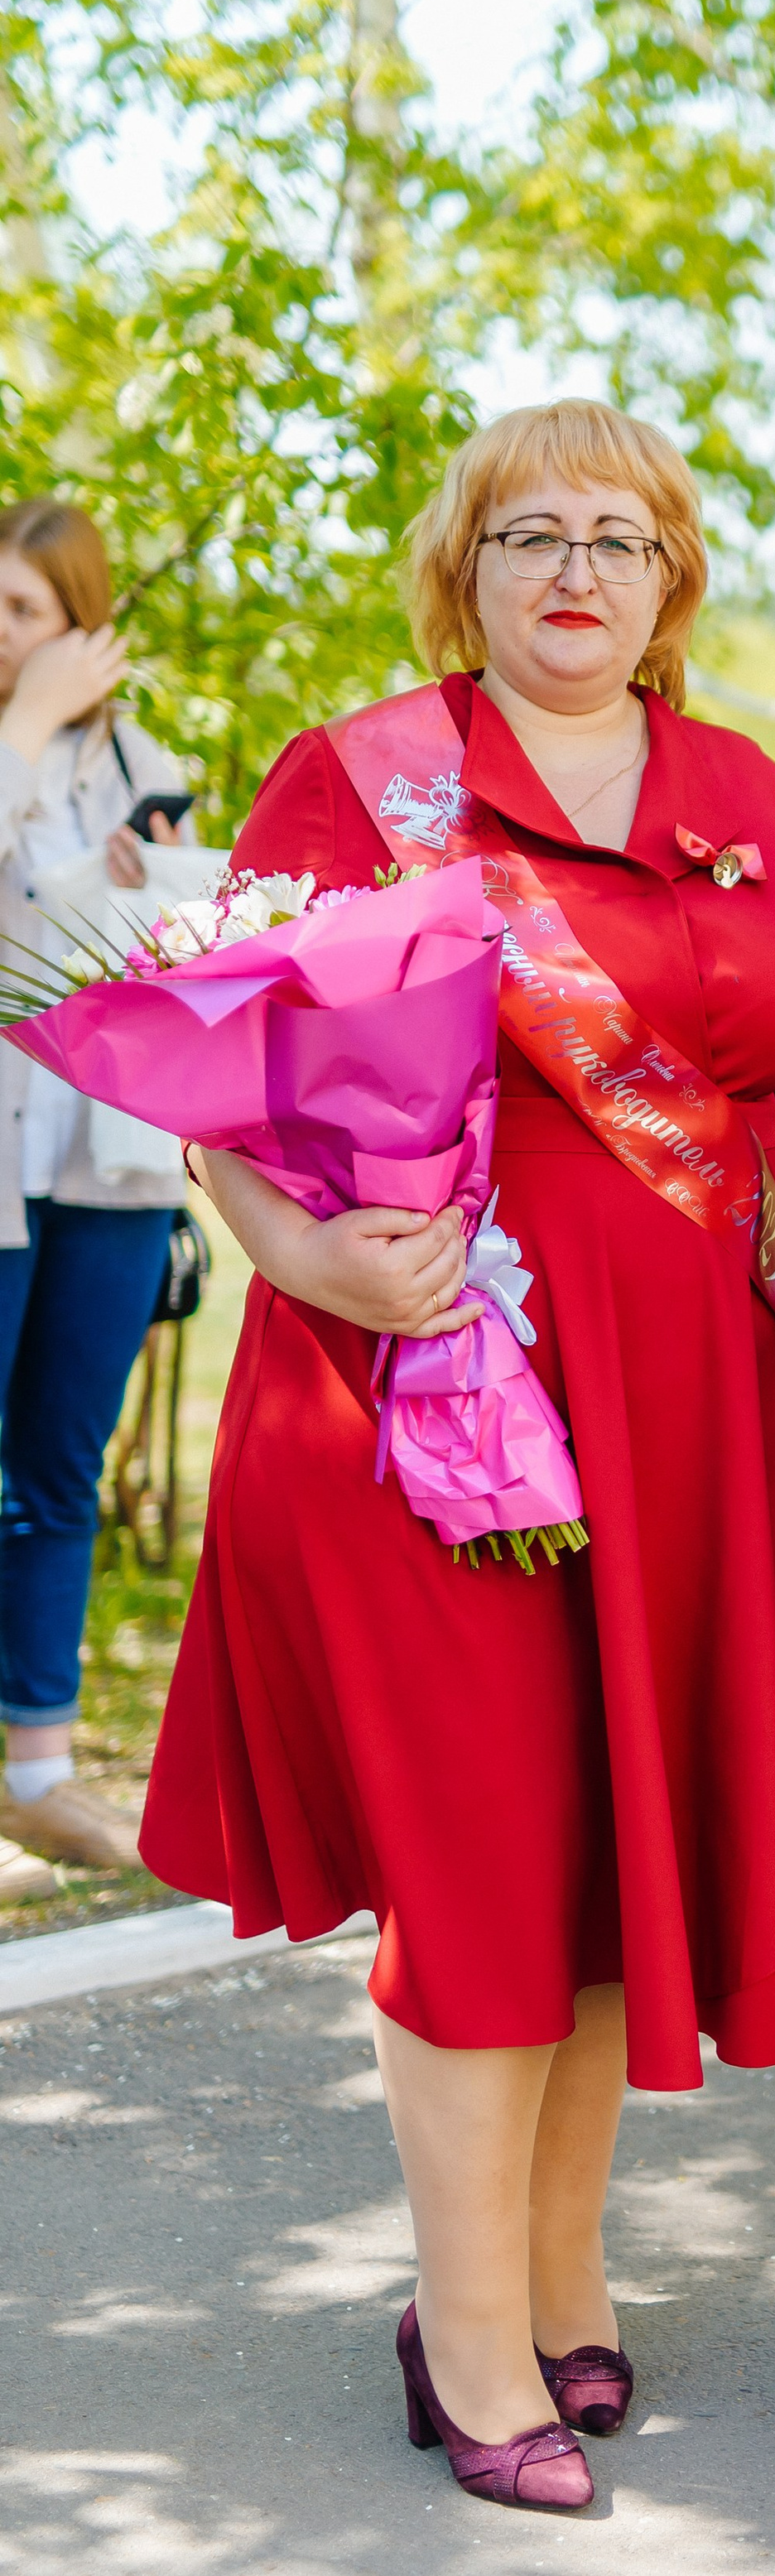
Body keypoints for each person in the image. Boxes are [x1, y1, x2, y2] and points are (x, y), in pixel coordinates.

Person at [143, 398, 775, 2512]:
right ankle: (467, 2341)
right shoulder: (361, 776)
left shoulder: (738, 783)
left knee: (594, 1847)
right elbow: (219, 1074)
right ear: (460, 569)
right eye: (527, 536)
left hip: (702, 1400)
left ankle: (557, 2275)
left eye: (619, 541)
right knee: (482, 1849)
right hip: (425, 1385)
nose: (575, 572)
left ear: (671, 582)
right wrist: (311, 1255)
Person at [0, 498, 196, 1901]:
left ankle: (39, 1773)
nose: (6, 635)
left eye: (25, 611)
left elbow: (192, 943)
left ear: (85, 623)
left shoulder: (138, 759)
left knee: (62, 1463)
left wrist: (166, 886)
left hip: (107, 1163)